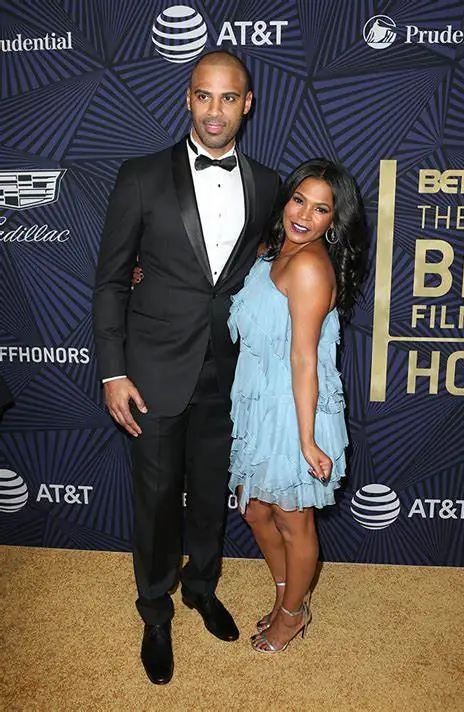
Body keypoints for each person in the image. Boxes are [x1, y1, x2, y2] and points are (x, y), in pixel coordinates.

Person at [92, 51, 280, 684]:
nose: (214, 111)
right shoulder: (141, 175)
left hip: (228, 371)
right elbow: (111, 281)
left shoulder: (268, 183)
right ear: (188, 98)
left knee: (207, 495)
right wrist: (113, 371)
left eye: (228, 98)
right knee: (154, 499)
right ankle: (154, 609)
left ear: (247, 104)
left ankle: (201, 587)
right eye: (204, 96)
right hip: (152, 371)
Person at [228, 159, 367, 653]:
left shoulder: (308, 266)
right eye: (299, 200)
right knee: (254, 510)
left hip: (294, 407)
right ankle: (289, 592)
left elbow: (304, 358)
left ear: (335, 220)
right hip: (261, 401)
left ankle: (291, 614)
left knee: (292, 519)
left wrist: (307, 440)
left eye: (321, 209)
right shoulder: (273, 251)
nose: (304, 215)